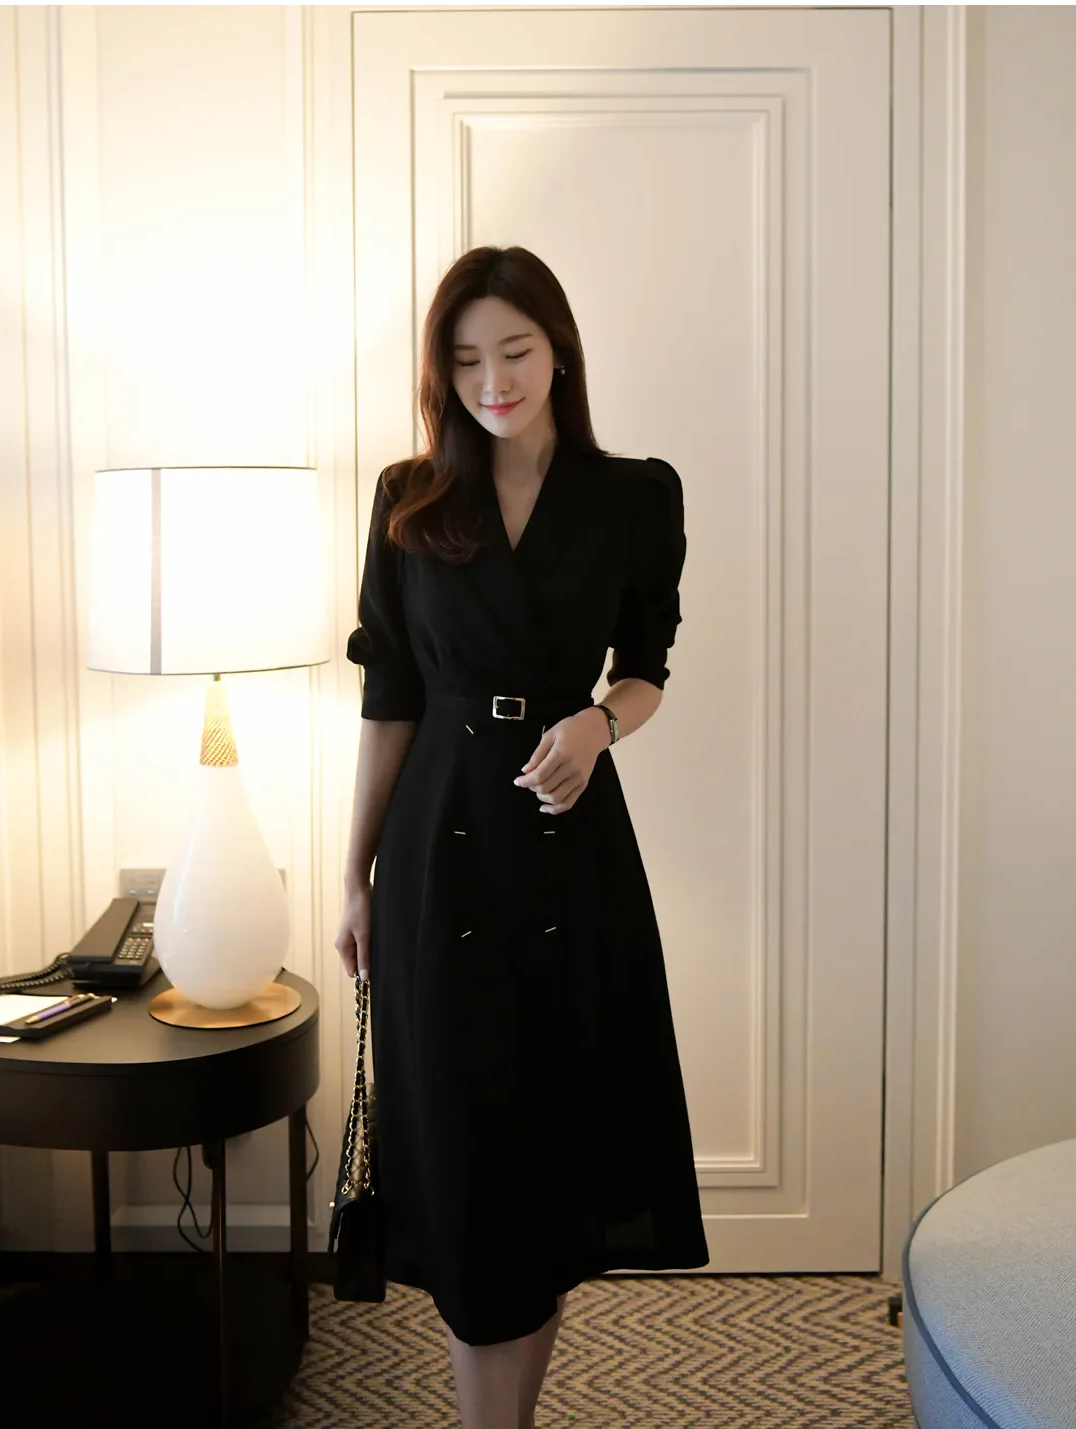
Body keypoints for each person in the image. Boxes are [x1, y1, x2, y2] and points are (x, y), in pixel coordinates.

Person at [334, 245, 709, 1429]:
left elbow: (646, 667)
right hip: (438, 853)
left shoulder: (634, 495)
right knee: (465, 1160)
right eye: (465, 359)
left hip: (567, 848)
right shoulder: (410, 497)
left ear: (560, 352)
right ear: (440, 372)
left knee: (544, 1161)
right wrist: (353, 875)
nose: (492, 381)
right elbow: (390, 696)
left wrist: (599, 724)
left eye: (514, 351)